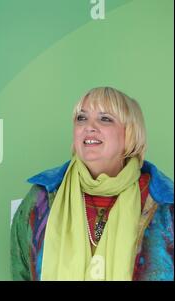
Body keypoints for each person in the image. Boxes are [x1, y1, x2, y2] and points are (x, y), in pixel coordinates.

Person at [11, 87, 173, 281]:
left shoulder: (165, 206)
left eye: (105, 119)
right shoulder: (41, 199)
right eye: (81, 118)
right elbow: (20, 272)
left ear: (130, 132)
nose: (89, 126)